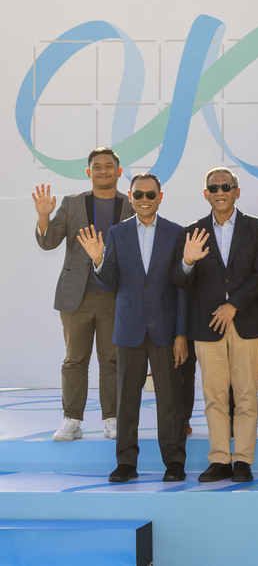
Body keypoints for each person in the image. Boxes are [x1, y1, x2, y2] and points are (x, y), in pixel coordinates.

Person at [77, 173, 193, 483]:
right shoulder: (116, 233)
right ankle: (126, 463)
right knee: (126, 400)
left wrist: (181, 333)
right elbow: (112, 281)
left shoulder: (176, 232)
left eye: (150, 195)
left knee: (171, 401)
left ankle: (174, 462)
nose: (144, 200)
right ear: (130, 197)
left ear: (160, 196)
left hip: (166, 330)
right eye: (138, 194)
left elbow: (181, 287)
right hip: (128, 328)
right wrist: (98, 261)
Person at [178, 167, 258, 483]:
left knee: (247, 394)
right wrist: (188, 261)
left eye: (226, 186)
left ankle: (243, 460)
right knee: (214, 396)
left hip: (246, 321)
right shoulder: (193, 232)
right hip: (207, 327)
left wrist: (233, 305)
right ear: (206, 193)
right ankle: (220, 459)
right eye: (214, 187)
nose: (220, 192)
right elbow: (180, 281)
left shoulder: (257, 229)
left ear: (237, 191)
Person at [33, 147, 134, 442]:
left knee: (112, 360)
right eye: (97, 166)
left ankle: (112, 419)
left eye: (109, 166)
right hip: (75, 297)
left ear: (118, 171)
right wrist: (43, 217)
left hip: (114, 297)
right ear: (89, 172)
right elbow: (49, 241)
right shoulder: (72, 203)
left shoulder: (130, 205)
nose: (103, 170)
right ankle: (72, 420)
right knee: (75, 360)